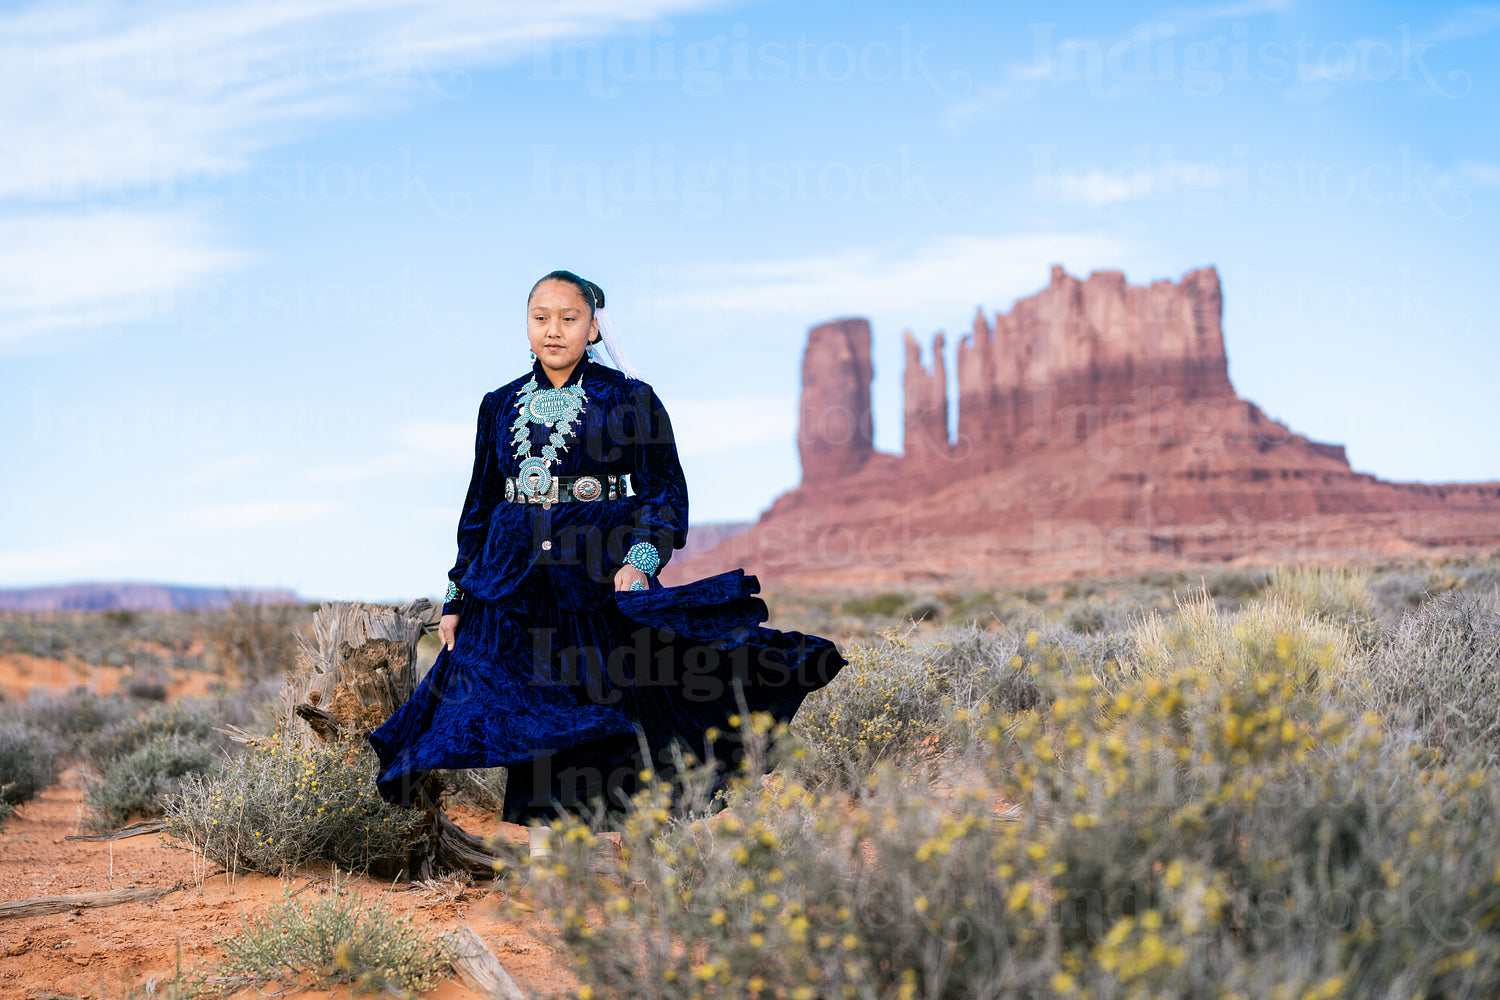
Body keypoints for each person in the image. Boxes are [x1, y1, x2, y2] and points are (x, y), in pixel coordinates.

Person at [368, 269, 847, 824]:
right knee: (530, 714)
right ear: (525, 327)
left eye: (568, 319)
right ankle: (551, 855)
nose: (553, 331)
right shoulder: (497, 406)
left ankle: (625, 842)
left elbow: (665, 491)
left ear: (593, 328)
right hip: (514, 585)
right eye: (540, 318)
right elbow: (478, 504)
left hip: (597, 580)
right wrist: (456, 597)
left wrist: (640, 562)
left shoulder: (630, 400)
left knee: (615, 703)